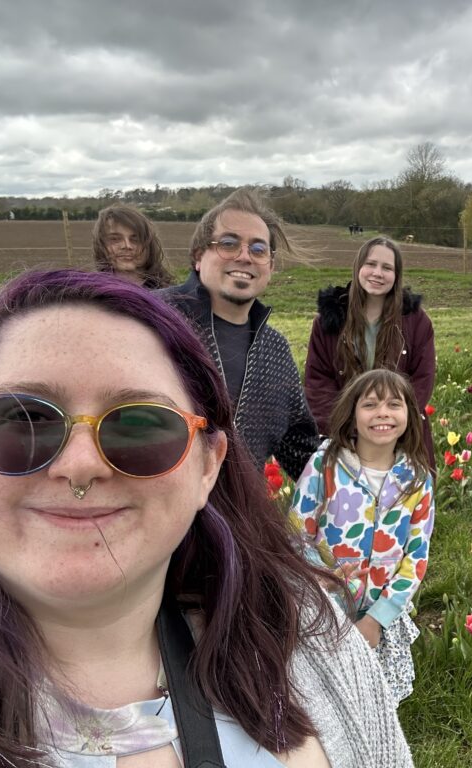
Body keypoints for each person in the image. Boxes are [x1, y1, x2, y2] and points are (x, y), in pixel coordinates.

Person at [0, 269, 412, 767]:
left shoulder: (307, 635)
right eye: (24, 419)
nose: (79, 465)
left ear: (208, 466)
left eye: (139, 425)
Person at [291, 369, 435, 707]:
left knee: (376, 699)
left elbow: (416, 557)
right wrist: (319, 576)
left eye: (394, 405)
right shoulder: (324, 466)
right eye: (370, 404)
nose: (382, 413)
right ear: (352, 418)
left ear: (409, 417)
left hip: (381, 613)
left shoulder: (417, 480)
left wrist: (378, 618)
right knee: (324, 694)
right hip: (326, 603)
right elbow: (297, 531)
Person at [160, 188, 319, 479]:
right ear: (199, 256)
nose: (244, 256)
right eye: (229, 243)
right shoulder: (155, 318)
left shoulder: (274, 350)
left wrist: (375, 465)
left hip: (237, 521)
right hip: (156, 516)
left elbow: (301, 450)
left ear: (269, 267)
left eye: (258, 249)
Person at [304, 237, 436, 469]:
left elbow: (422, 380)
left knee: (403, 502)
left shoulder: (416, 322)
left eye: (387, 268)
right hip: (346, 437)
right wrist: (350, 426)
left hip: (400, 435)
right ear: (358, 268)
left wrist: (391, 422)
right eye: (371, 264)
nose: (377, 273)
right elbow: (318, 382)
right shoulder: (328, 323)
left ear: (396, 275)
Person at [91, 204, 174, 289]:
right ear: (100, 244)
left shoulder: (171, 296)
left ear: (149, 246)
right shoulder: (89, 294)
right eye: (115, 239)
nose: (127, 246)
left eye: (136, 239)